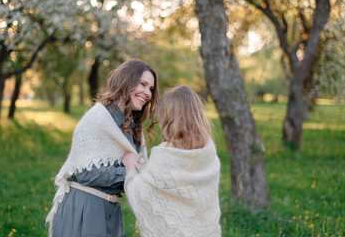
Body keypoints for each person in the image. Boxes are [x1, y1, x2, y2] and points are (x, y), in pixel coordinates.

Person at [46, 59, 159, 237]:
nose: (147, 93)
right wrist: (130, 170)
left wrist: (140, 169)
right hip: (85, 209)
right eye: (143, 84)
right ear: (126, 82)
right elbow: (83, 172)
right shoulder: (97, 119)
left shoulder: (133, 126)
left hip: (112, 211)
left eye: (151, 89)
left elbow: (138, 167)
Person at [122, 85, 221, 237]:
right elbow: (181, 180)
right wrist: (148, 169)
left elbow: (138, 193)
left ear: (169, 119)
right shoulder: (209, 152)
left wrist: (130, 168)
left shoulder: (165, 154)